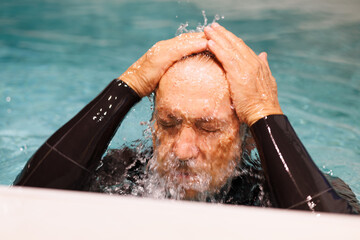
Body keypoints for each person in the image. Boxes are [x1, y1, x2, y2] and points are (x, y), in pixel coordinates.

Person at [14, 23, 359, 214]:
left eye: (208, 127)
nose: (181, 149)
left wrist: (263, 112)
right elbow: (24, 204)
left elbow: (333, 233)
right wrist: (128, 86)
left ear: (249, 135)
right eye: (168, 123)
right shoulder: (121, 176)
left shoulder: (277, 194)